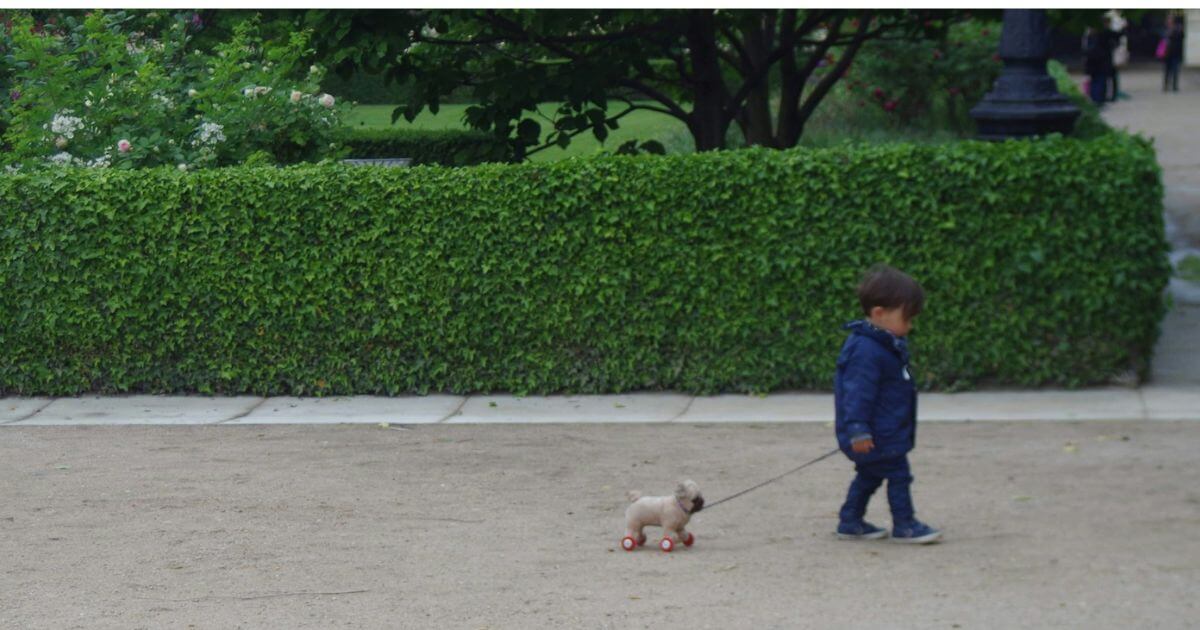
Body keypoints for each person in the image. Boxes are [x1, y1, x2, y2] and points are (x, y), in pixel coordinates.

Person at [833, 265, 940, 544]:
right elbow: (856, 392)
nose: (910, 326)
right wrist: (858, 429)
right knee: (899, 476)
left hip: (884, 430)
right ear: (879, 314)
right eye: (906, 318)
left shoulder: (883, 344)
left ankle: (850, 520)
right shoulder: (867, 350)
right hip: (877, 434)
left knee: (869, 475)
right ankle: (905, 525)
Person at [1083, 26, 1112, 106]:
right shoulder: (1102, 36)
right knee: (1100, 81)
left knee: (1095, 81)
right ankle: (1098, 100)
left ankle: (1095, 99)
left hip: (1092, 63)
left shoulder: (1089, 36)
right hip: (1100, 63)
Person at [1163, 14, 1185, 92]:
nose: (1168, 21)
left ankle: (1174, 86)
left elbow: (1181, 38)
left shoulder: (1178, 29)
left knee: (1175, 70)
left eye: (1169, 20)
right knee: (1167, 70)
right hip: (1168, 53)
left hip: (1175, 53)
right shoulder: (1167, 29)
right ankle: (1166, 85)